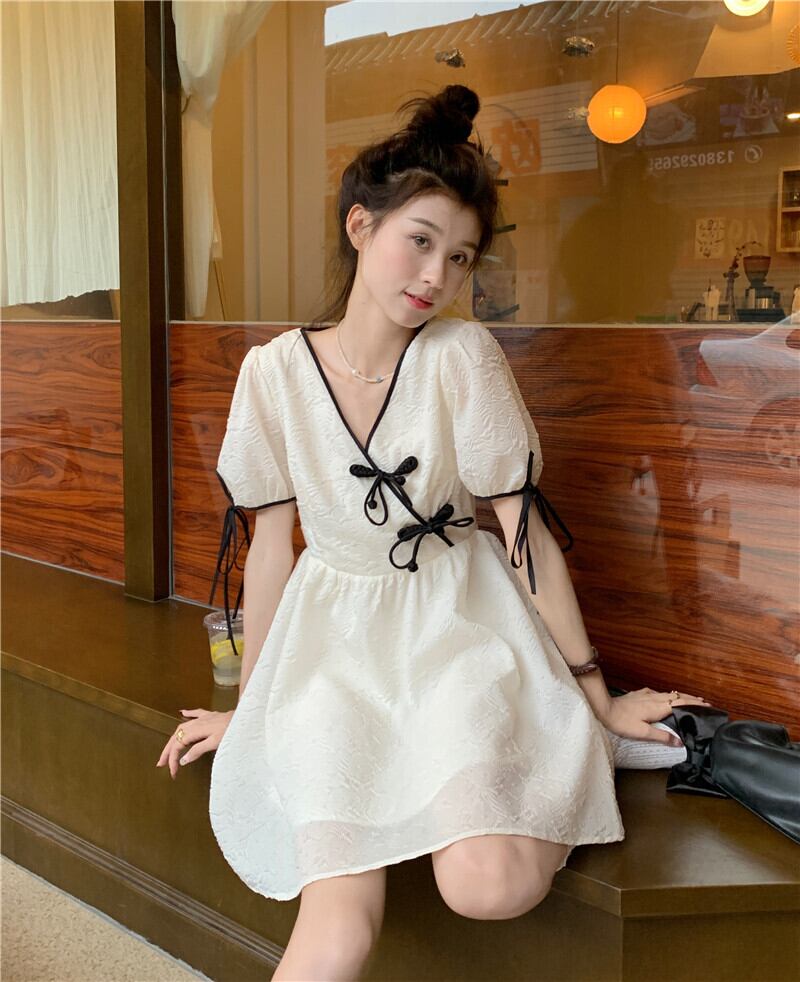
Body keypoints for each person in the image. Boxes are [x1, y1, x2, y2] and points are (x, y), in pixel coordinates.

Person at [157, 84, 709, 981]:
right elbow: (269, 553)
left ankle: (566, 740)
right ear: (360, 226)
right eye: (420, 241)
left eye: (459, 258)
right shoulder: (272, 373)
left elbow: (523, 534)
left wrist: (596, 697)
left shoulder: (461, 356)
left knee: (488, 886)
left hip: (458, 625)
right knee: (337, 929)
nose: (437, 276)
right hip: (332, 649)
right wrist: (253, 711)